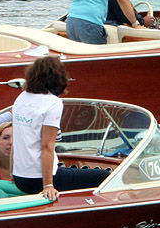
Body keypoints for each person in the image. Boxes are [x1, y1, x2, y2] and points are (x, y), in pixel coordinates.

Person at [12, 56, 109, 201]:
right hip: (38, 179)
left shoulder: (21, 98)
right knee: (106, 177)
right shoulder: (53, 103)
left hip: (20, 178)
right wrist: (48, 185)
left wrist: (12, 174)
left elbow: (18, 139)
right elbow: (47, 146)